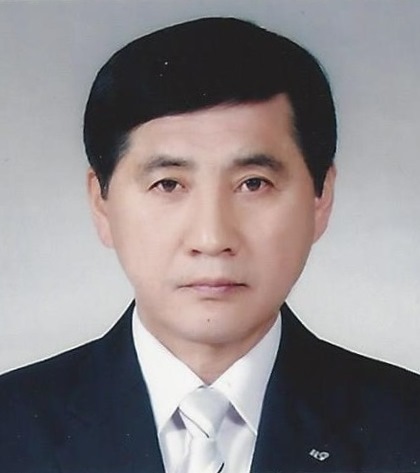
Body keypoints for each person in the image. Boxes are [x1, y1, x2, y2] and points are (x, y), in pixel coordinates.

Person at [0, 16, 419, 473]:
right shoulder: (11, 427)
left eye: (253, 183)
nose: (212, 239)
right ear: (102, 205)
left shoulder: (405, 426)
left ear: (321, 198)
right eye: (168, 184)